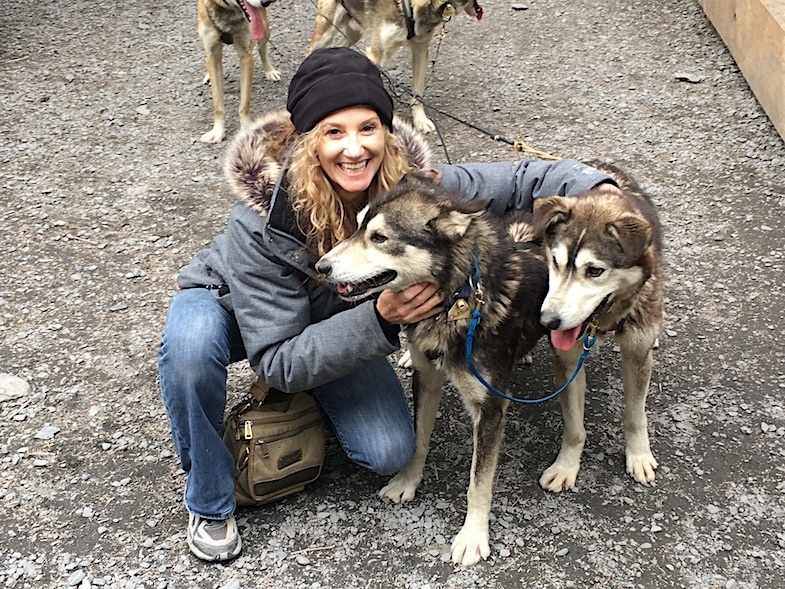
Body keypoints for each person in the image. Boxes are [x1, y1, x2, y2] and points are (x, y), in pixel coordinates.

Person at [158, 46, 619, 562]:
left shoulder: (410, 192)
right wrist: (379, 318)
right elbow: (277, 358)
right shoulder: (260, 220)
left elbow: (518, 178)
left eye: (367, 128)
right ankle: (210, 498)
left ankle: (315, 398)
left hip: (331, 320)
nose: (354, 148)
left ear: (386, 132)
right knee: (191, 347)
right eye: (334, 132)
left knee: (386, 451)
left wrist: (595, 190)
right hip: (236, 308)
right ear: (308, 141)